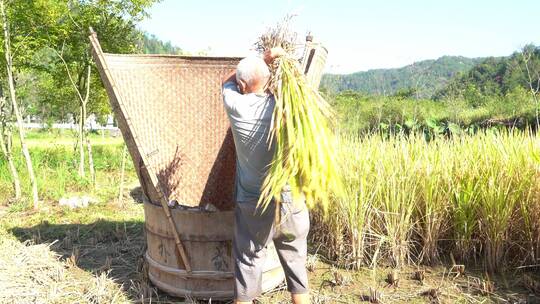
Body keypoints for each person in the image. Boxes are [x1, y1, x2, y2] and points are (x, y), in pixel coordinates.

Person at [221, 48, 310, 304]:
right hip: (292, 203)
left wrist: (262, 60)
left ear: (241, 85)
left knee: (248, 266)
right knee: (297, 269)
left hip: (254, 206)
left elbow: (226, 83)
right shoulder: (288, 107)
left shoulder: (236, 104)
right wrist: (277, 60)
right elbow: (303, 87)